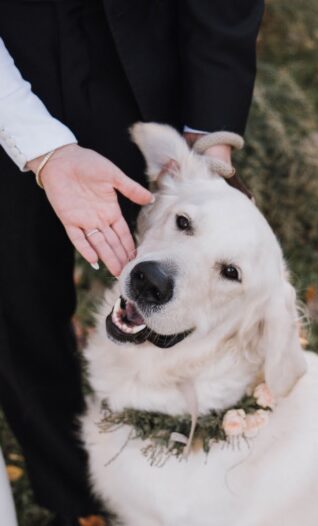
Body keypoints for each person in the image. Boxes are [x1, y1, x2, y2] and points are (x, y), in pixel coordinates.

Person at [0, 1, 264, 524]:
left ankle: (182, 475)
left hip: (146, 61)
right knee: (16, 307)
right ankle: (76, 499)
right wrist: (42, 149)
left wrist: (209, 139)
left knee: (184, 303)